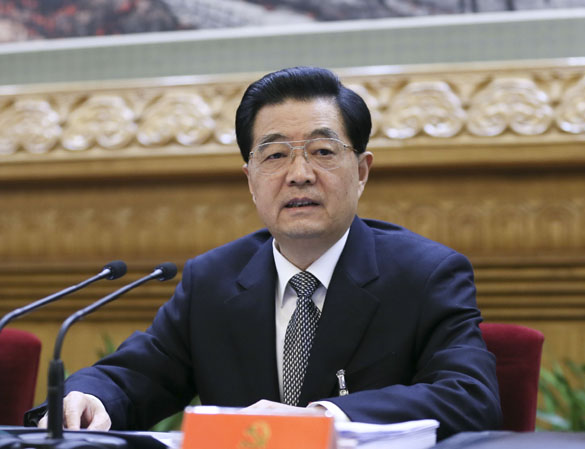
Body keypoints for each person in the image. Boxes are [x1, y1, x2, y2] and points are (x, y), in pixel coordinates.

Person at [28, 66, 502, 440]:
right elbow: (137, 374)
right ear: (251, 180)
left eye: (322, 151)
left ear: (361, 172)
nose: (299, 174)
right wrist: (89, 398)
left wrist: (324, 417)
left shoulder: (425, 274)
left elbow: (470, 398)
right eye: (275, 156)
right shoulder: (212, 281)